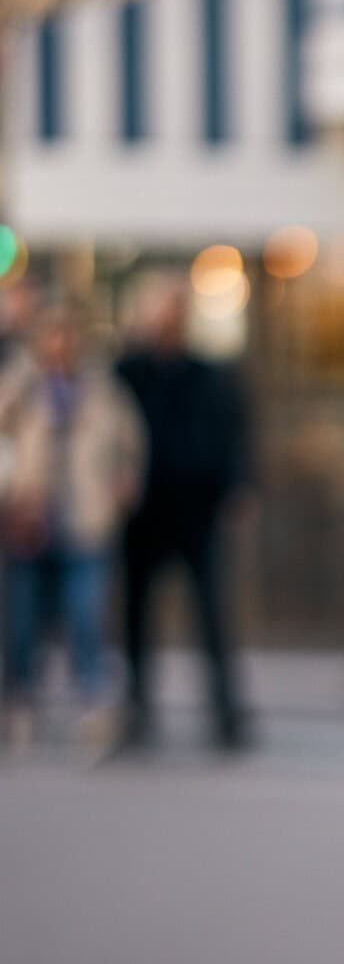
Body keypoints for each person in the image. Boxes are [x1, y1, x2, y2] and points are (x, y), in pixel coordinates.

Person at [113, 275, 254, 752]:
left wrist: (237, 488)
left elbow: (235, 433)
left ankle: (226, 713)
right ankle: (135, 708)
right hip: (143, 513)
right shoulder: (127, 371)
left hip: (198, 510)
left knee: (211, 614)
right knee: (135, 615)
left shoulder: (209, 374)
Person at [1, 300, 144, 754]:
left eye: (66, 335)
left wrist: (124, 482)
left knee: (87, 617)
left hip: (85, 521)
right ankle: (19, 703)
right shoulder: (25, 386)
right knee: (22, 624)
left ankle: (95, 710)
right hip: (31, 519)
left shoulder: (102, 388)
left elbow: (131, 443)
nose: (59, 345)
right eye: (51, 335)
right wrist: (23, 374)